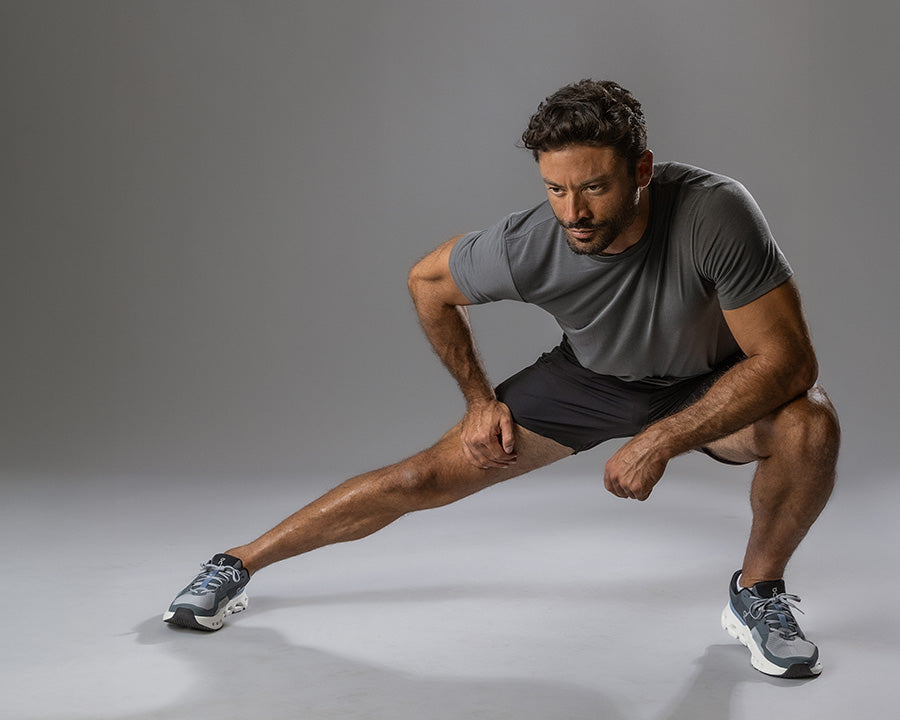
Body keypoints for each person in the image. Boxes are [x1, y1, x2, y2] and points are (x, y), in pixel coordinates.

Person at [163, 79, 839, 679]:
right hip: (592, 382)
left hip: (708, 380)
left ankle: (758, 593)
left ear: (642, 171)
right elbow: (428, 282)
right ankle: (236, 564)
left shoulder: (712, 213)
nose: (573, 212)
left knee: (809, 421)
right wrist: (479, 400)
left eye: (595, 187)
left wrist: (660, 439)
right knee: (419, 480)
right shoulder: (534, 243)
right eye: (555, 188)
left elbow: (786, 362)